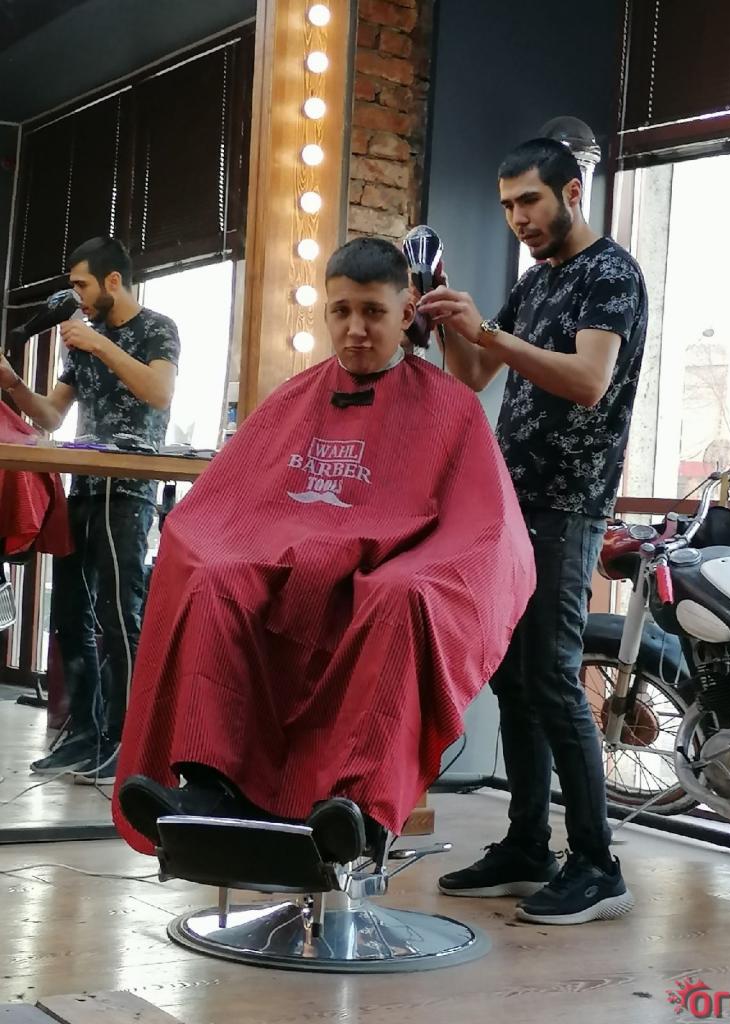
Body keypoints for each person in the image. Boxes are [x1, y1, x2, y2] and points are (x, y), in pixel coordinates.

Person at [113, 236, 536, 864]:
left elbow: (485, 529)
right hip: (287, 565)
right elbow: (226, 503)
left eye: (373, 312)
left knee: (401, 598)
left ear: (407, 310)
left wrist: (396, 568)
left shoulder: (450, 406)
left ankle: (357, 809)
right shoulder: (295, 397)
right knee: (217, 578)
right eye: (341, 311)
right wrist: (264, 552)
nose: (355, 329)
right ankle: (208, 785)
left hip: (388, 572)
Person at [417, 138, 648, 925]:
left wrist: (488, 333)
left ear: (571, 192)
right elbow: (473, 375)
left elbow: (588, 381)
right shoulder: (537, 280)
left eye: (530, 201)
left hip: (569, 503)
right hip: (512, 502)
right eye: (508, 205)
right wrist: (449, 314)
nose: (518, 217)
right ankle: (527, 845)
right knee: (513, 680)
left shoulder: (610, 274)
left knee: (551, 676)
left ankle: (598, 865)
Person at [0, 237, 180, 781]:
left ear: (113, 281)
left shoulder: (158, 328)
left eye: (81, 284)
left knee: (120, 615)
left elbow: (158, 392)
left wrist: (99, 345)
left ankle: (127, 740)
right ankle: (84, 732)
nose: (76, 295)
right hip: (81, 487)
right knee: (69, 614)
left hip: (129, 490)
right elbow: (53, 416)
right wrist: (13, 386)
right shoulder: (81, 341)